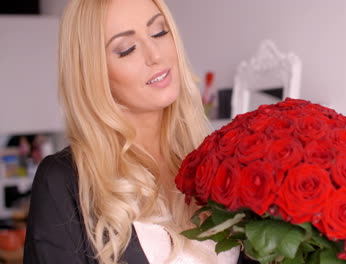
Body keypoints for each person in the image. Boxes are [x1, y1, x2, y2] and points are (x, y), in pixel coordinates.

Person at [23, 0, 249, 263]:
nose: (155, 54)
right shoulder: (63, 180)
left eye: (159, 32)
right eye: (126, 49)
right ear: (94, 73)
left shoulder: (215, 162)